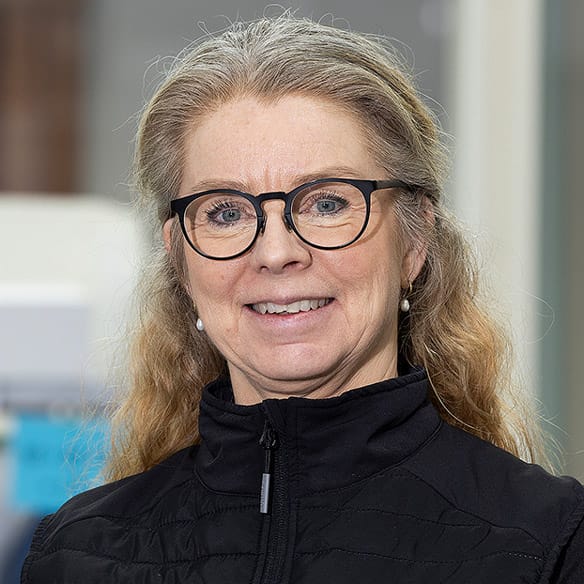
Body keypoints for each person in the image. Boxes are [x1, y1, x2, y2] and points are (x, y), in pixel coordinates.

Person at [21, 15, 584, 584]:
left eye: (327, 203)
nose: (276, 252)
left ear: (414, 243)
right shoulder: (76, 554)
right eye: (226, 212)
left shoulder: (549, 543)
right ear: (180, 262)